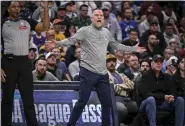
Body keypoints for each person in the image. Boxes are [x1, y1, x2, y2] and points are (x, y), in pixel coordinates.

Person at [56, 8, 146, 126]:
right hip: (87, 72)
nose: (99, 17)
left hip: (102, 73)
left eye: (101, 16)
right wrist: (57, 43)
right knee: (82, 102)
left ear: (103, 19)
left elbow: (116, 45)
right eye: (96, 15)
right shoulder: (85, 31)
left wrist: (133, 49)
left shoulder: (106, 32)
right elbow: (71, 40)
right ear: (92, 18)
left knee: (107, 103)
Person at [1, 1, 49, 126]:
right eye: (14, 6)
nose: (17, 9)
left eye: (18, 6)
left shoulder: (27, 21)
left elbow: (45, 27)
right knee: (7, 100)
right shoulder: (2, 23)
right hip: (8, 63)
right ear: (8, 9)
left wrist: (45, 11)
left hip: (24, 63)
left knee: (28, 100)